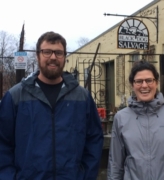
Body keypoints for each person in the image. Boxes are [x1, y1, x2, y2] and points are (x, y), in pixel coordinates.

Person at [0, 31, 103, 180]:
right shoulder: (15, 97)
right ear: (37, 56)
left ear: (64, 57)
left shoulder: (82, 97)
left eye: (58, 53)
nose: (53, 57)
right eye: (47, 52)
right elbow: (2, 143)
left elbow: (94, 140)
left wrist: (86, 175)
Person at [107, 60, 164, 180]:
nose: (144, 85)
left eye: (149, 80)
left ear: (156, 83)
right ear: (132, 84)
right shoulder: (121, 118)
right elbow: (115, 163)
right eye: (139, 81)